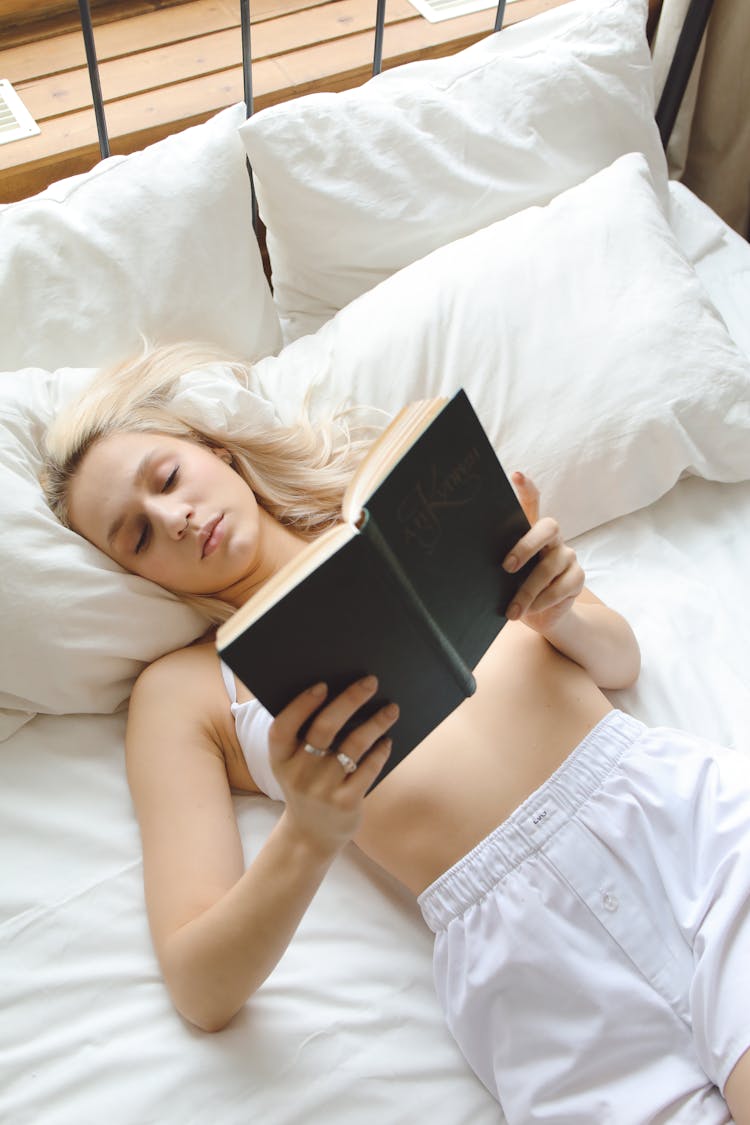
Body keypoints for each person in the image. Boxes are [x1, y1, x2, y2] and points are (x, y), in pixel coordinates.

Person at [41, 342, 750, 1123]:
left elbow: (620, 660)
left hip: (676, 828)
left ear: (217, 454)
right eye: (136, 536)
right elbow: (199, 985)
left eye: (168, 478)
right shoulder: (183, 694)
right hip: (532, 968)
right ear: (134, 576)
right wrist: (310, 832)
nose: (173, 520)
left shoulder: (410, 512)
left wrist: (560, 612)